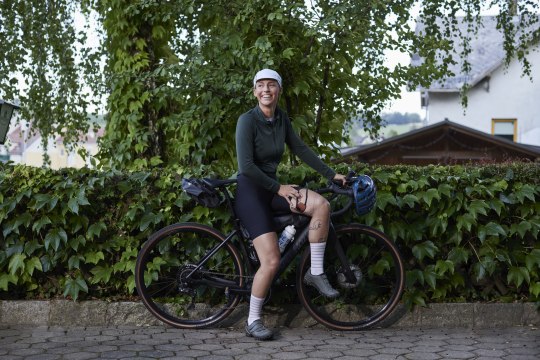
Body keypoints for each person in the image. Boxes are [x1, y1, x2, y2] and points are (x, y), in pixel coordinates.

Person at [235, 68, 347, 340]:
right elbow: (246, 167)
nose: (265, 90)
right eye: (260, 85)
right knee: (271, 261)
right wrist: (279, 187)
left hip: (273, 190)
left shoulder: (281, 119)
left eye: (271, 85)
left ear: (279, 91)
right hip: (252, 193)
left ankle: (316, 272)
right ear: (254, 91)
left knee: (321, 205)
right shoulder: (247, 121)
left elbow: (301, 149)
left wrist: (331, 174)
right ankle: (252, 321)